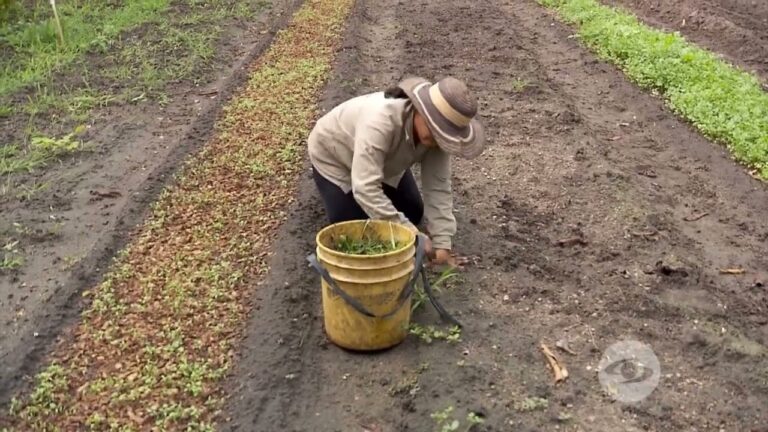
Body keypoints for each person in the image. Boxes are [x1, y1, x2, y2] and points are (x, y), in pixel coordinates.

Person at [307, 76, 486, 268]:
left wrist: (442, 244)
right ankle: (340, 195)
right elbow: (365, 188)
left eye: (443, 134)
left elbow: (438, 186)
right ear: (420, 110)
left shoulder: (438, 140)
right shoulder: (380, 121)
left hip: (384, 161)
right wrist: (413, 235)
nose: (437, 138)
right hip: (335, 156)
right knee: (355, 230)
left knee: (413, 211)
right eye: (435, 129)